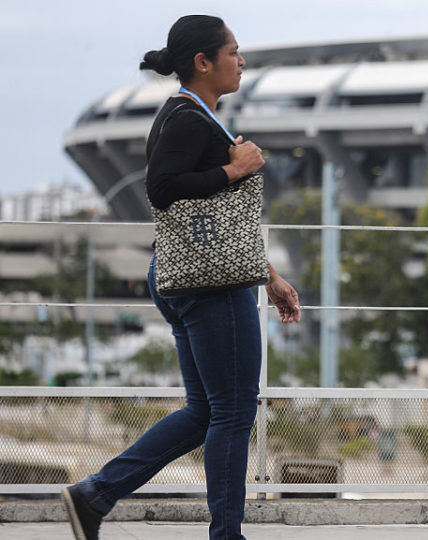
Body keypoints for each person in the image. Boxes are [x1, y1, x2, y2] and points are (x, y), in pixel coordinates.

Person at [61, 15, 301, 540]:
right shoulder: (189, 119)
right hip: (209, 290)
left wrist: (272, 278)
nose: (242, 61)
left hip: (183, 273)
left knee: (204, 412)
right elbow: (163, 188)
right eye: (234, 52)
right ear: (203, 62)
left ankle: (94, 495)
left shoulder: (193, 117)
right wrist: (236, 170)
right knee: (234, 414)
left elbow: (216, 227)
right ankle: (226, 534)